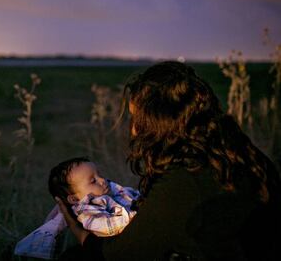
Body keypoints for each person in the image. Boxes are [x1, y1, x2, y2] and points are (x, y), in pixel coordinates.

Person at [56, 61, 281, 260]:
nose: (134, 131)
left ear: (162, 121)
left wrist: (79, 231)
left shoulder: (186, 178)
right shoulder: (241, 154)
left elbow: (121, 253)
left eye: (139, 120)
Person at [48, 157, 140, 238]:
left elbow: (132, 194)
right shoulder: (87, 212)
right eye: (93, 181)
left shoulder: (111, 189)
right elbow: (110, 226)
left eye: (99, 175)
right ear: (74, 199)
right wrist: (137, 213)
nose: (102, 180)